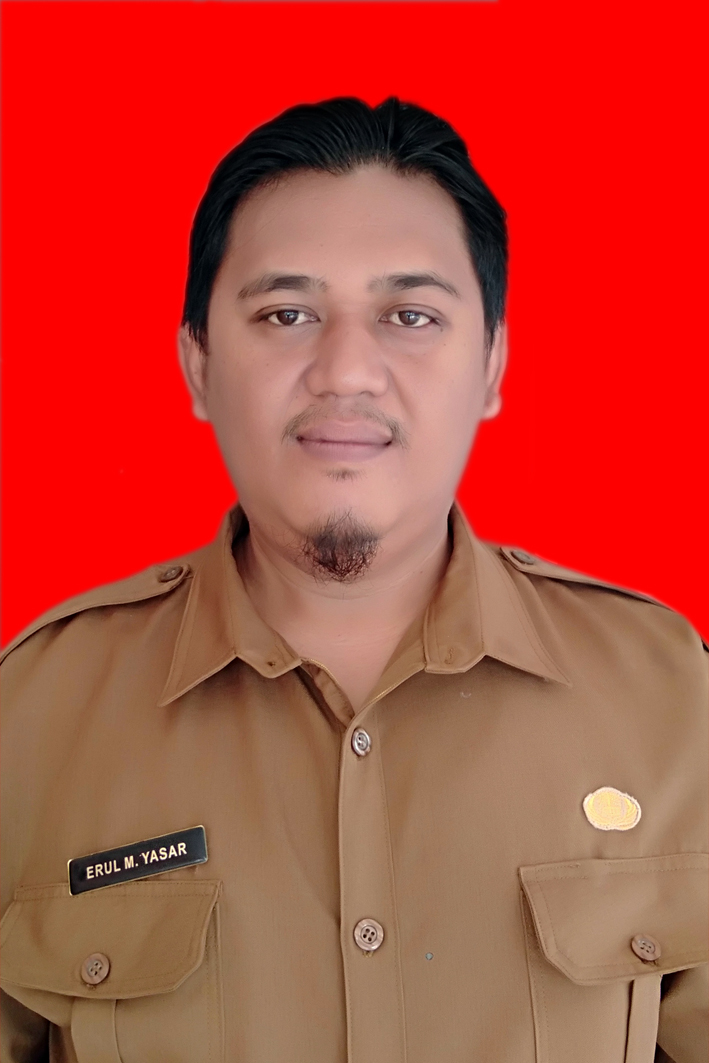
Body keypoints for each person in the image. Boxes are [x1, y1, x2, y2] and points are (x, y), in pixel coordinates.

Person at [1, 97, 706, 1063]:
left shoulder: (671, 696)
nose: (345, 370)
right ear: (198, 363)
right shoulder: (33, 714)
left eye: (409, 315)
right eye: (285, 314)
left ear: (491, 363)